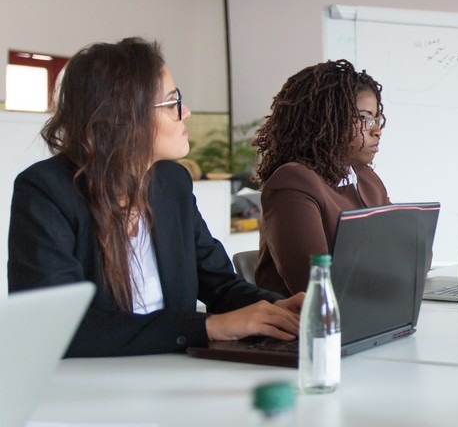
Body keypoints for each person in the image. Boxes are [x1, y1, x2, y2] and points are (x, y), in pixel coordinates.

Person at [8, 37, 303, 358]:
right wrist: (207, 327)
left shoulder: (172, 183)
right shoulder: (46, 191)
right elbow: (56, 326)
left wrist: (278, 308)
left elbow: (220, 284)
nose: (186, 112)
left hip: (173, 374)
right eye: (172, 101)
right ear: (124, 115)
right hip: (88, 384)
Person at [252, 60, 390, 295]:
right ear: (326, 120)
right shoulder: (292, 183)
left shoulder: (367, 178)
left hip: (368, 312)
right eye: (365, 118)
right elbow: (315, 285)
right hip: (308, 326)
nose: (376, 130)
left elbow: (410, 256)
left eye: (376, 119)